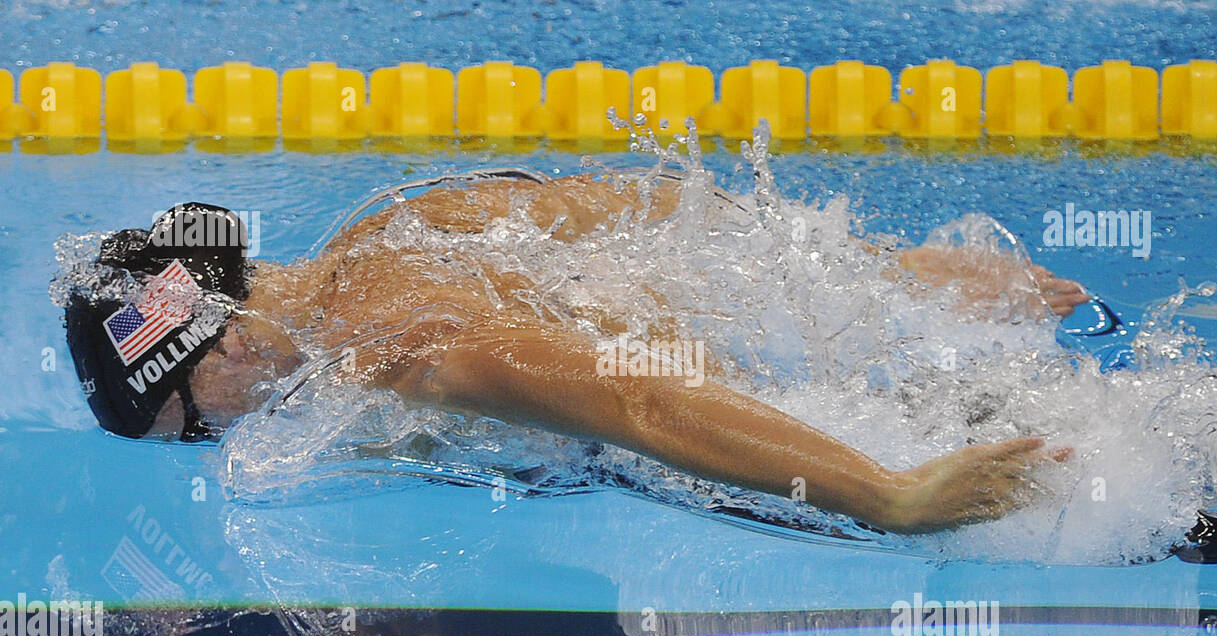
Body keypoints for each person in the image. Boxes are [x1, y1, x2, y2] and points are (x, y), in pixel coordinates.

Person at [64, 171, 1090, 534]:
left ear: (228, 346)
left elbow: (633, 397)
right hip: (784, 270)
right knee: (971, 296)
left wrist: (886, 492)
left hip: (755, 357)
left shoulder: (395, 341)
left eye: (194, 423)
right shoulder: (370, 245)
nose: (218, 441)